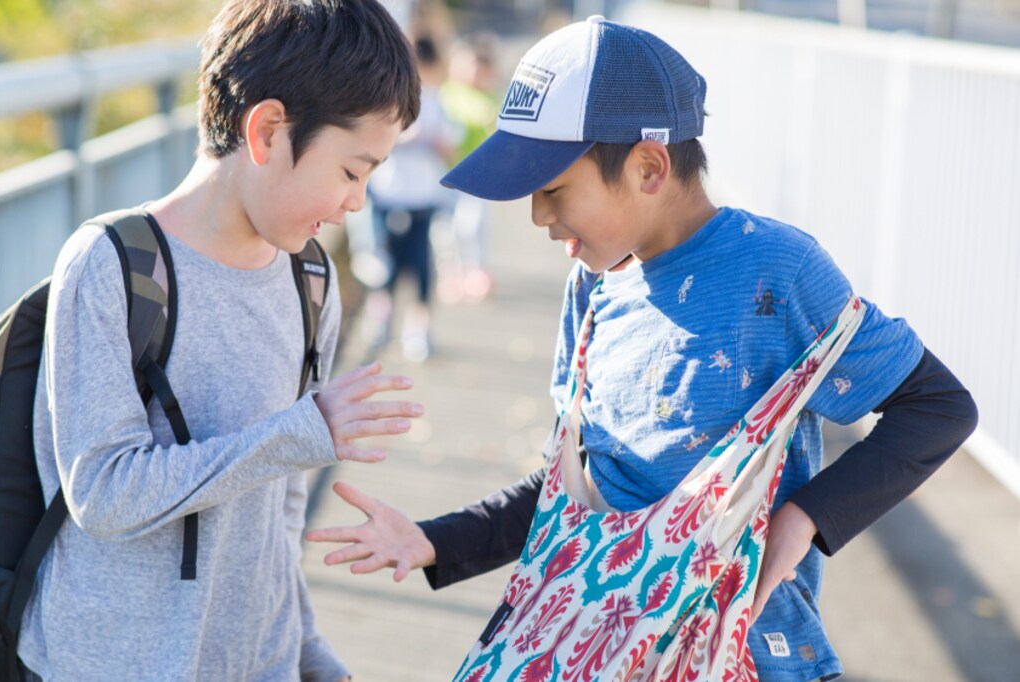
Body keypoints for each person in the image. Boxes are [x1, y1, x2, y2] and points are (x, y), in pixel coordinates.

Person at [307, 16, 978, 681]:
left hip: (741, 649)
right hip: (599, 643)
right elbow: (577, 485)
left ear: (649, 167)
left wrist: (805, 518)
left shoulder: (777, 272)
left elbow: (937, 407)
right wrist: (434, 541)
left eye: (553, 189)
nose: (538, 216)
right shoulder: (592, 287)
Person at [17, 0, 423, 679]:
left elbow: (278, 514)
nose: (357, 201)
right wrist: (300, 432)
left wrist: (308, 652)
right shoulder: (112, 265)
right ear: (267, 130)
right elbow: (103, 493)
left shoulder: (310, 279)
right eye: (352, 172)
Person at [365, 35, 461, 362]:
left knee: (421, 268)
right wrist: (410, 140)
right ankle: (381, 322)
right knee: (385, 267)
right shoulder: (386, 98)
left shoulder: (437, 101)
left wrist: (432, 141)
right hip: (388, 195)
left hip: (422, 198)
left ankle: (418, 331)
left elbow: (451, 146)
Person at [438, 32, 499, 303]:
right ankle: (450, 274)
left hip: (477, 176)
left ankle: (476, 271)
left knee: (472, 225)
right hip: (445, 174)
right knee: (445, 229)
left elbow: (491, 121)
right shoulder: (446, 94)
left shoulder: (488, 98)